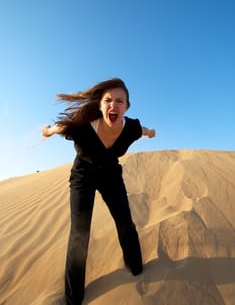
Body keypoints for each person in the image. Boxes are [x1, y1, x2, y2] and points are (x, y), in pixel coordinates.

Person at [42, 77, 156, 305]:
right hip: (83, 175)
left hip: (110, 174)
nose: (114, 105)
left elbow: (143, 130)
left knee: (125, 221)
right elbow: (60, 127)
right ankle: (73, 297)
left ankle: (136, 268)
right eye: (108, 101)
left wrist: (151, 132)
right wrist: (48, 131)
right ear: (100, 105)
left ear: (127, 106)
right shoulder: (83, 126)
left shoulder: (131, 127)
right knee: (79, 233)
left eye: (120, 101)